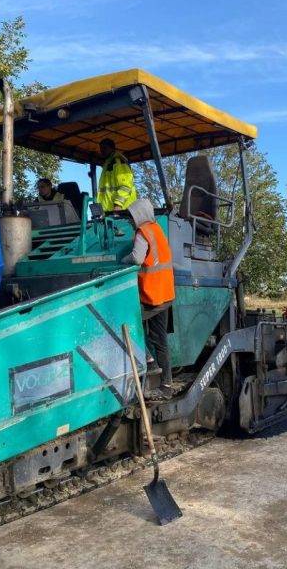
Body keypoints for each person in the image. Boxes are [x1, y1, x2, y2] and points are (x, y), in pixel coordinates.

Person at [122, 198, 174, 399]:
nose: (130, 220)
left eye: (131, 216)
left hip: (152, 295)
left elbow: (136, 258)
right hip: (165, 294)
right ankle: (167, 385)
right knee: (160, 339)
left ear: (139, 215)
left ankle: (148, 361)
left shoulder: (143, 233)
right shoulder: (158, 229)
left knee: (127, 324)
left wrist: (122, 261)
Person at [97, 138, 137, 212]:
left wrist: (118, 205)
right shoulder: (107, 165)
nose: (101, 151)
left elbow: (126, 186)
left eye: (104, 148)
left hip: (123, 211)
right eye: (100, 149)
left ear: (112, 148)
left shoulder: (118, 162)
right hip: (110, 212)